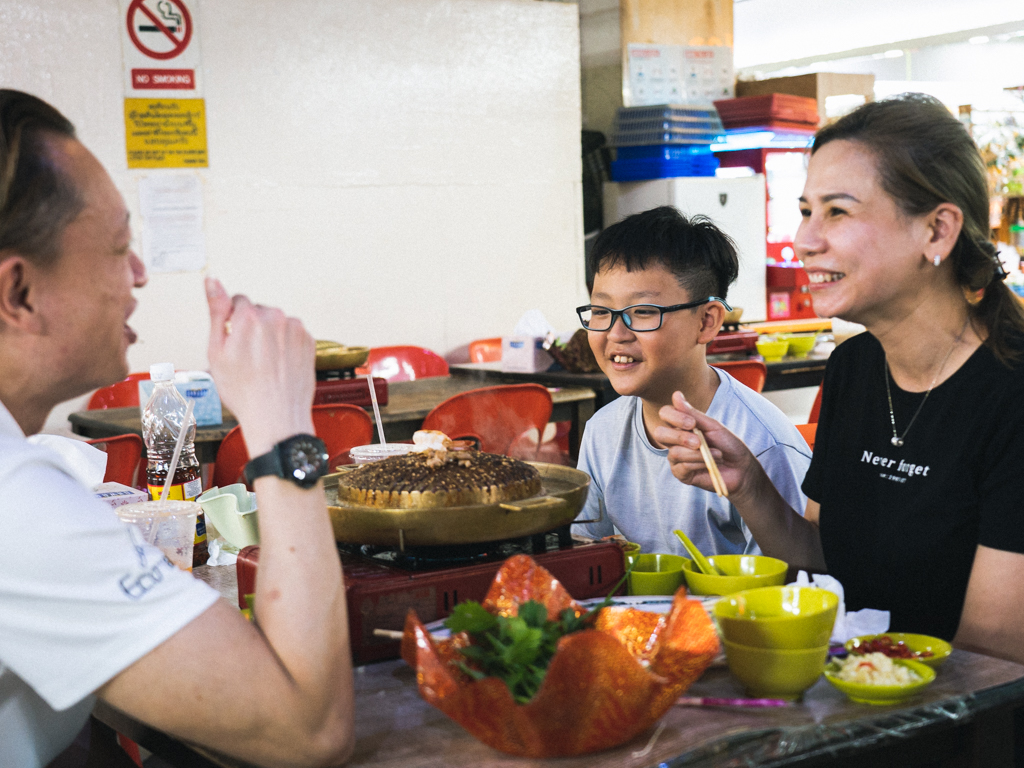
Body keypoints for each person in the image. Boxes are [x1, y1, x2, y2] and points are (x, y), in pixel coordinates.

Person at [0, 90, 354, 766]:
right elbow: (310, 731)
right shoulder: (13, 499)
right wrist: (282, 425)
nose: (138, 276)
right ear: (19, 294)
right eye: (117, 249)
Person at [658, 94, 1024, 664]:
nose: (805, 240)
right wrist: (750, 486)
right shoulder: (854, 369)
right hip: (858, 693)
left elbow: (992, 651)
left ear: (937, 231)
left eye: (837, 211)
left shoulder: (1010, 393)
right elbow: (825, 555)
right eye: (806, 210)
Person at [571, 206, 811, 557]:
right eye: (601, 311)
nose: (615, 333)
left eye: (643, 312)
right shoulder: (602, 431)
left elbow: (795, 582)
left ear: (707, 322)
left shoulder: (762, 446)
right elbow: (586, 556)